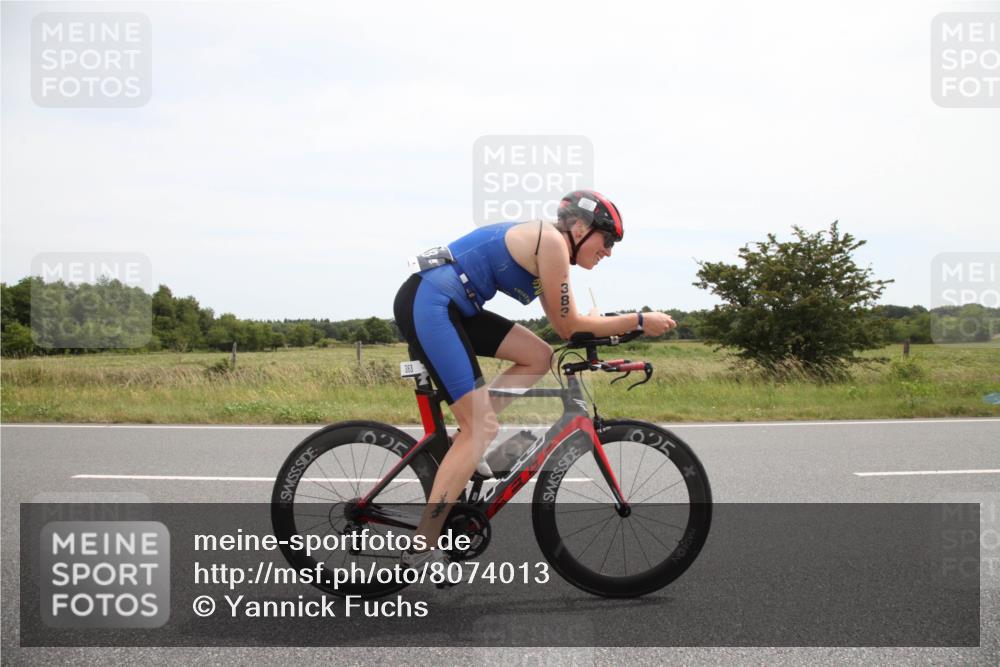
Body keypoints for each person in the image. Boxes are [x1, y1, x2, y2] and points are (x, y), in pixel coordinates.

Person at [392, 190, 677, 567]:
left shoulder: (553, 247)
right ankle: (423, 546)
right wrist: (639, 320)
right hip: (434, 303)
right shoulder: (553, 244)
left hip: (453, 304)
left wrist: (608, 328)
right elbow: (569, 326)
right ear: (579, 227)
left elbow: (570, 327)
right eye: (607, 239)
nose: (609, 250)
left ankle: (466, 439)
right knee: (482, 428)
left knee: (537, 356)